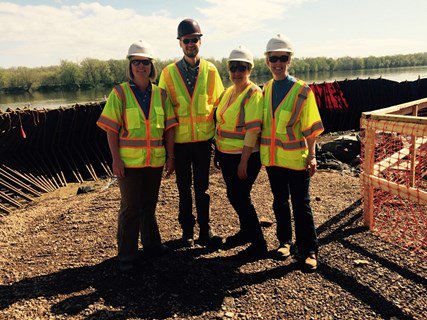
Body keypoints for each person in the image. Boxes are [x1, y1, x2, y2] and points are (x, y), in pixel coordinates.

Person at [96, 40, 177, 272]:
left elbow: (169, 129)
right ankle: (127, 254)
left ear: (152, 66)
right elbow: (112, 129)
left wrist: (171, 157)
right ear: (130, 66)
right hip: (129, 163)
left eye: (145, 62)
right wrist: (116, 159)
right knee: (131, 206)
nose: (141, 66)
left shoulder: (161, 95)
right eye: (136, 62)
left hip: (154, 162)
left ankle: (151, 245)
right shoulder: (120, 93)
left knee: (149, 205)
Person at [261, 34, 324, 271]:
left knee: (301, 204)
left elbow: (311, 128)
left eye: (283, 58)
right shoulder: (265, 89)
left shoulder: (302, 91)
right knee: (279, 202)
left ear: (290, 60)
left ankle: (309, 250)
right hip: (274, 160)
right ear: (267, 61)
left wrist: (312, 155)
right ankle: (285, 242)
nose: (278, 63)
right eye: (273, 58)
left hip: (296, 160)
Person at [159, 18, 224, 247]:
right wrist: (169, 153)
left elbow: (218, 108)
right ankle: (187, 232)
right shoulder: (167, 74)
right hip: (180, 143)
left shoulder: (211, 70)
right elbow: (165, 115)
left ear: (199, 41)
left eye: (194, 40)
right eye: (186, 40)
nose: (190, 44)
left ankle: (205, 230)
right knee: (183, 188)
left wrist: (219, 144)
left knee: (203, 188)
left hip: (204, 142)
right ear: (180, 43)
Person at [213, 46, 267, 257]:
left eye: (242, 68)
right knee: (234, 194)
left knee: (239, 196)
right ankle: (246, 232)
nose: (237, 73)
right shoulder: (228, 92)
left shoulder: (253, 93)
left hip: (246, 156)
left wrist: (244, 161)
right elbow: (222, 124)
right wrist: (218, 151)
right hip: (227, 154)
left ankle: (258, 244)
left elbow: (253, 130)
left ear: (249, 70)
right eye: (234, 68)